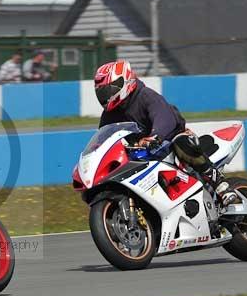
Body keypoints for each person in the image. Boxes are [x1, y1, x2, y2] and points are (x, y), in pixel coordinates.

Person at [94, 60, 238, 206]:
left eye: (107, 91)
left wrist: (154, 136)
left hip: (169, 139)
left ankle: (220, 185)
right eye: (101, 92)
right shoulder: (109, 115)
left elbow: (164, 117)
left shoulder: (145, 95)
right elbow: (104, 140)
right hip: (142, 153)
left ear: (123, 82)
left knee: (181, 143)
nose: (105, 96)